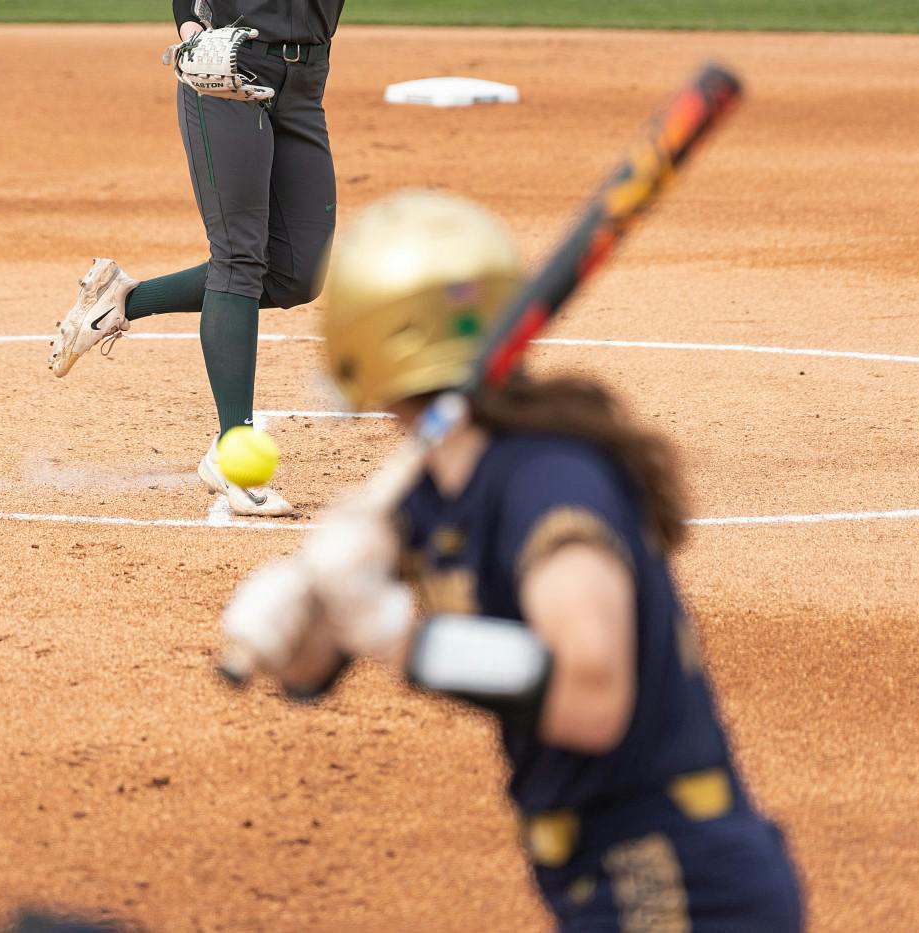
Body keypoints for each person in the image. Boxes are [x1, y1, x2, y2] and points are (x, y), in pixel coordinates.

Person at [224, 190, 804, 929]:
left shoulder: (548, 481)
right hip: (602, 880)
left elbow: (591, 697)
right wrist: (300, 612)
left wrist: (392, 632)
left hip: (680, 887)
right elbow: (313, 667)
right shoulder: (433, 487)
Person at [47, 0, 424, 518]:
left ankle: (122, 299)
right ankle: (234, 454)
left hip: (303, 84)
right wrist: (193, 30)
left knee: (298, 273)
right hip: (223, 73)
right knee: (241, 254)